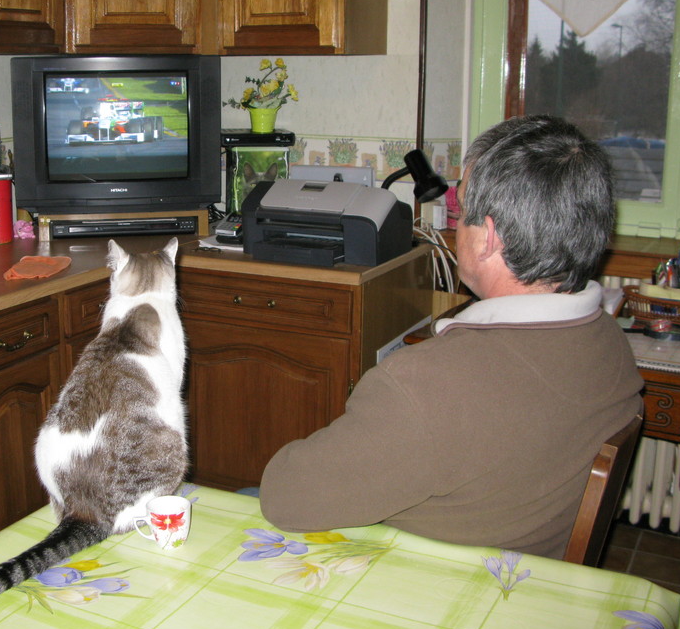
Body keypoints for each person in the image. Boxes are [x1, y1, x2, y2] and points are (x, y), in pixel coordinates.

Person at [259, 115, 643, 559]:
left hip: (429, 593)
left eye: (460, 215)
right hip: (527, 579)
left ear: (489, 239)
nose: (456, 227)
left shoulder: (429, 384)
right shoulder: (608, 340)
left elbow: (285, 496)